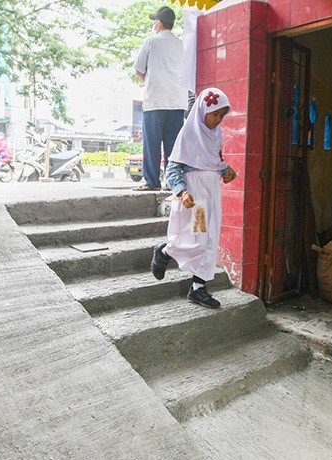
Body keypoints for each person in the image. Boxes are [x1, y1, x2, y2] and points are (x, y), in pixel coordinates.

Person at [150, 87, 236, 309]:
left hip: (212, 194)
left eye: (221, 116)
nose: (218, 120)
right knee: (197, 239)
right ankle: (165, 251)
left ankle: (198, 288)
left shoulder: (216, 136)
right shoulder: (188, 134)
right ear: (202, 110)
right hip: (196, 198)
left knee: (210, 240)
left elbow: (213, 162)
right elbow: (173, 168)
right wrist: (180, 191)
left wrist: (226, 170)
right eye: (214, 114)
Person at [133, 5, 187, 192]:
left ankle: (152, 182)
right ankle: (173, 183)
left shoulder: (151, 41)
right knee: (173, 144)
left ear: (158, 23)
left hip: (155, 99)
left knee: (152, 143)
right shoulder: (182, 45)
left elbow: (139, 70)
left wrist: (147, 80)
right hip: (177, 100)